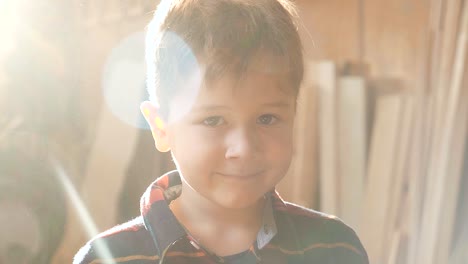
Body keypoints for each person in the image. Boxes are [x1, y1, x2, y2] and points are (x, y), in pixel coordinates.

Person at [74, 0, 369, 263]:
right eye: (213, 120)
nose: (243, 148)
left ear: (293, 113)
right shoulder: (108, 258)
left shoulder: (335, 249)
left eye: (266, 118)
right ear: (161, 127)